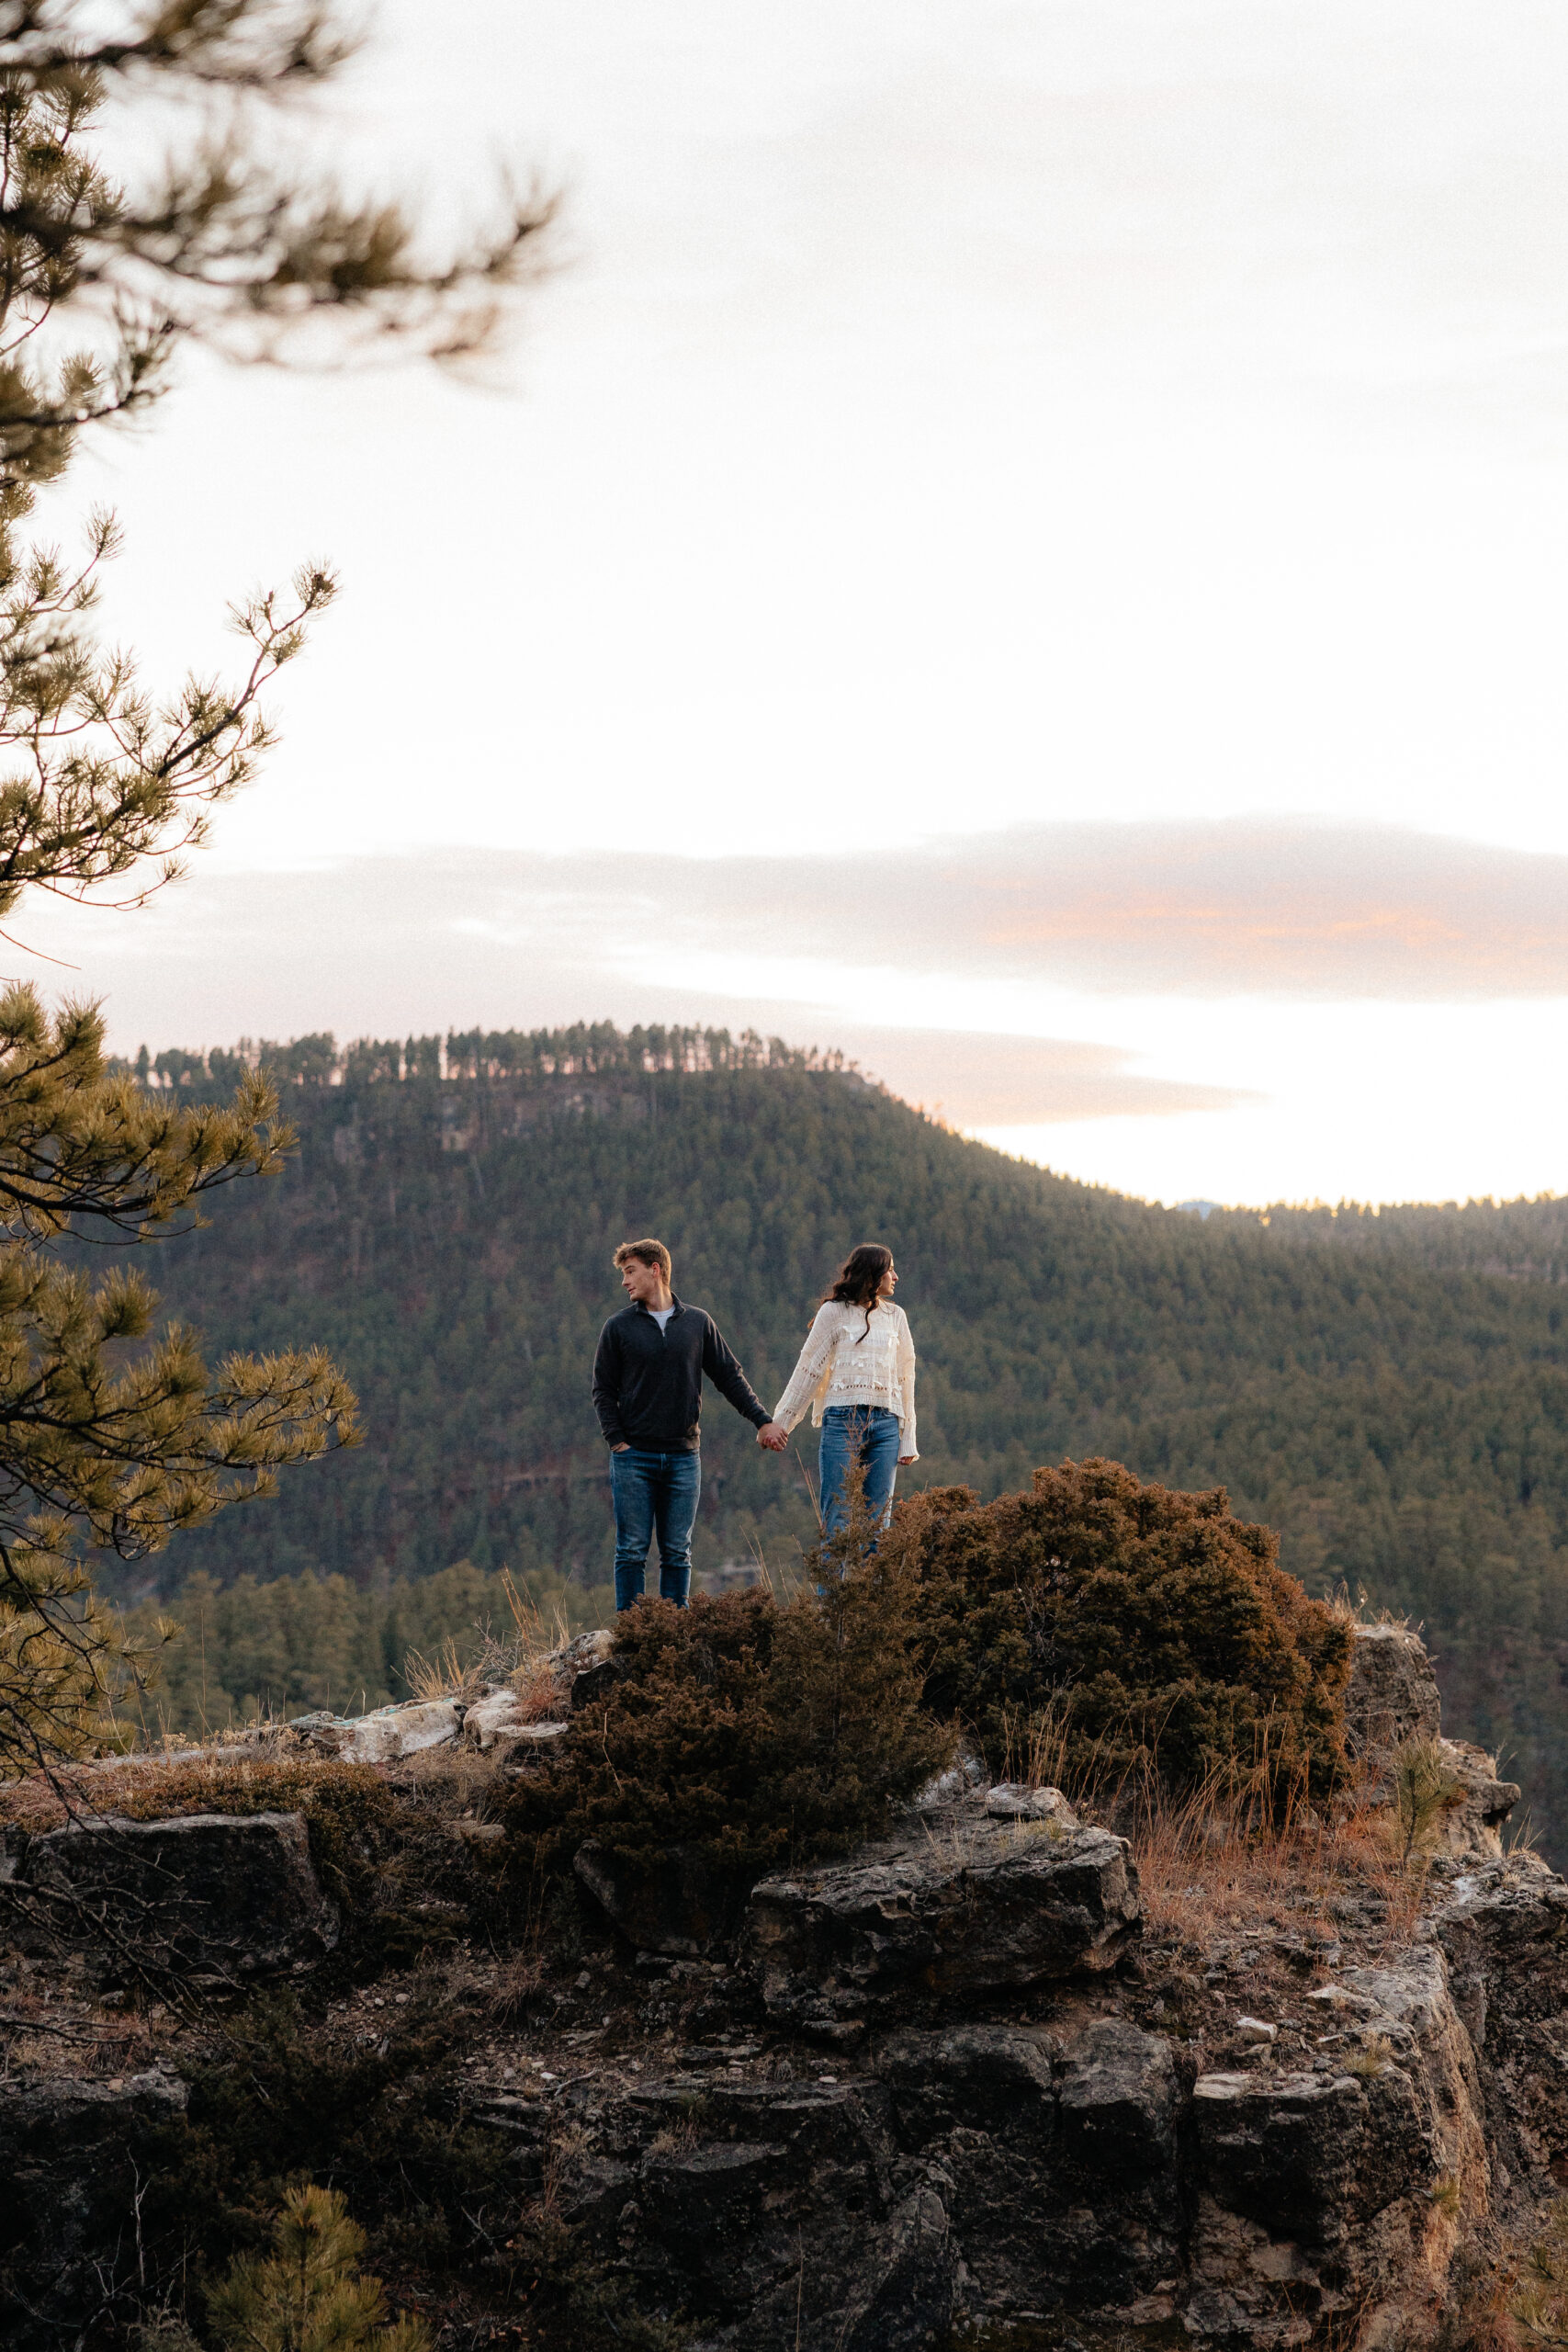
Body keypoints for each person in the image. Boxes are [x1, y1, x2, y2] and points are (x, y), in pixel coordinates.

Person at [592, 1238, 787, 1610]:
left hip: (683, 1457)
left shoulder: (697, 1323)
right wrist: (616, 1440)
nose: (624, 1282)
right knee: (632, 1550)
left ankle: (672, 1636)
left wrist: (762, 1421)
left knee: (677, 1553)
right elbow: (602, 1390)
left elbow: (729, 1377)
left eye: (630, 1272)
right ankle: (634, 1633)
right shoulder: (617, 1328)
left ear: (656, 1269)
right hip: (633, 1457)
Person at [770, 1242, 917, 1536]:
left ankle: (869, 1584)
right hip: (841, 1423)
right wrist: (781, 1423)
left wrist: (908, 1436)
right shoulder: (833, 1312)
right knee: (837, 1522)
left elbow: (905, 1378)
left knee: (877, 1526)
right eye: (889, 1270)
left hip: (886, 1425)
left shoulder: (896, 1316)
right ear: (872, 1275)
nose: (896, 1276)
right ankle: (835, 1585)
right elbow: (808, 1369)